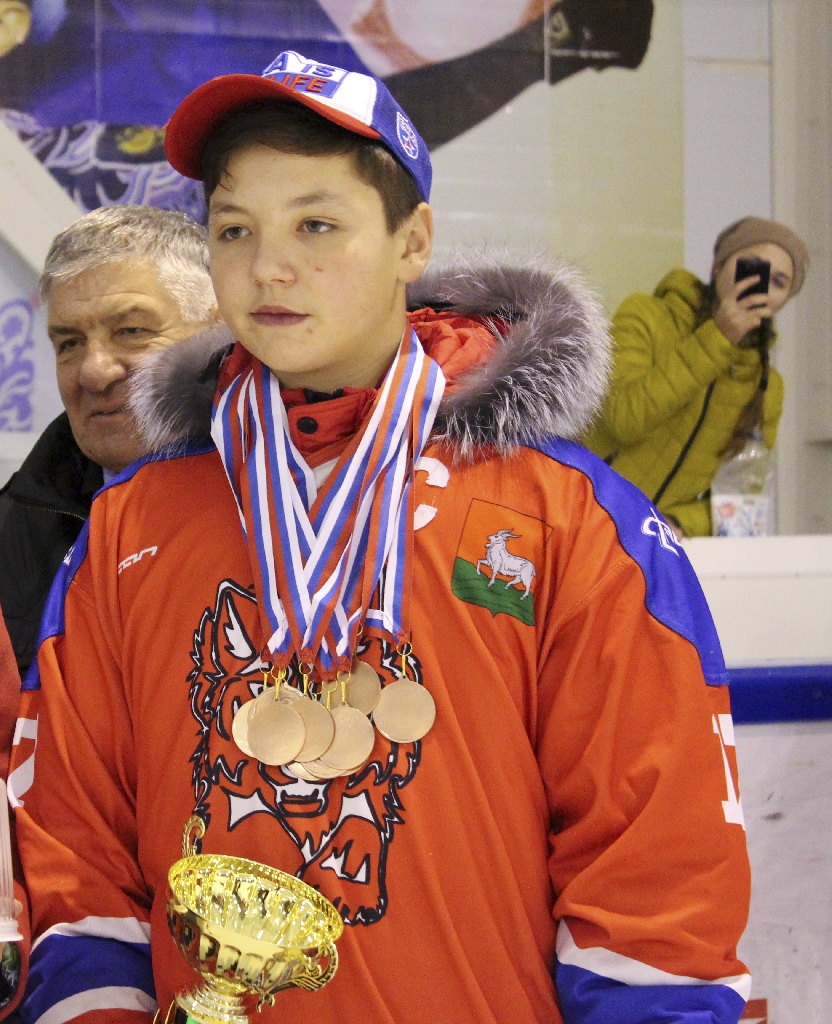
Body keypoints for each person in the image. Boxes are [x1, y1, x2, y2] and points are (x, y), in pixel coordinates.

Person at [11, 51, 751, 1023]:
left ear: (413, 242)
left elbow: (656, 881)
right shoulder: (131, 525)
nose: (268, 267)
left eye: (316, 224)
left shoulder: (565, 517)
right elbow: (77, 856)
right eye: (234, 229)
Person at [0, 205, 218, 679]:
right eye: (69, 343)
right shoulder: (14, 535)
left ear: (220, 333)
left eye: (131, 331)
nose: (94, 372)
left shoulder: (309, 499)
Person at [583, 217, 809, 537]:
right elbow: (622, 419)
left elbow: (743, 495)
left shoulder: (767, 386)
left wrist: (680, 523)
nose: (760, 286)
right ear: (718, 267)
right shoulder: (646, 315)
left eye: (778, 282)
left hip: (653, 544)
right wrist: (719, 337)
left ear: (785, 298)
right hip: (581, 513)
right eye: (752, 268)